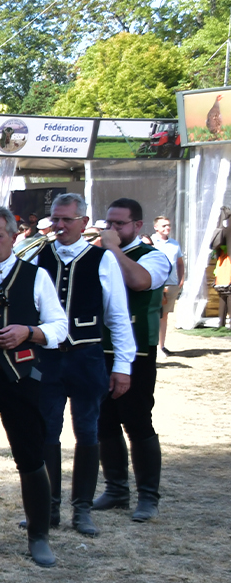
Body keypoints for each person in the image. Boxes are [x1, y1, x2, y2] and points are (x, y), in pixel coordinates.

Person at [32, 193, 135, 536]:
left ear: (84, 223)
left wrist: (123, 365)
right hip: (46, 357)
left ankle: (82, 509)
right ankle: (46, 508)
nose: (59, 226)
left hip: (86, 356)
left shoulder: (102, 260)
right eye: (55, 219)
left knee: (88, 431)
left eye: (66, 220)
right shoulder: (36, 255)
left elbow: (118, 317)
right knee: (46, 431)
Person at [0, 207, 67, 568]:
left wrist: (29, 332)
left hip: (22, 378)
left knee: (30, 456)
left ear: (14, 237)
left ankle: (38, 534)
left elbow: (60, 326)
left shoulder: (34, 275)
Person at [92, 199, 170, 523]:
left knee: (137, 421)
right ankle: (116, 489)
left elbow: (139, 282)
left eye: (120, 224)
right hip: (99, 350)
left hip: (138, 352)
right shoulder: (100, 254)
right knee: (104, 422)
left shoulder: (154, 257)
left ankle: (148, 496)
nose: (112, 230)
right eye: (108, 224)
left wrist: (112, 250)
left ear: (138, 226)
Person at [151, 215, 183, 356]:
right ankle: (150, 345)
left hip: (171, 285)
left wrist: (181, 280)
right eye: (163, 225)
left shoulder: (174, 244)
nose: (167, 228)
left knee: (164, 316)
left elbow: (180, 263)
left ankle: (161, 346)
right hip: (154, 285)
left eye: (168, 225)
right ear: (156, 227)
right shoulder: (149, 242)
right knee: (152, 315)